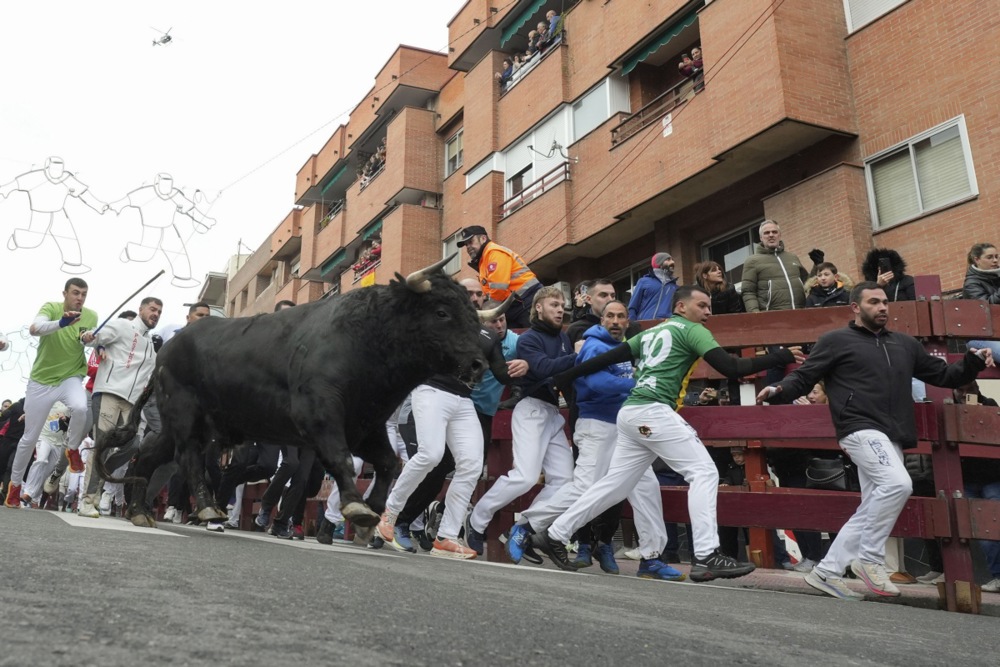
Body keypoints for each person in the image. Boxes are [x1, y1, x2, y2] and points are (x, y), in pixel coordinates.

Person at [533, 285, 801, 581]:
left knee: (615, 485)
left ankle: (556, 533)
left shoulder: (649, 333)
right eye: (702, 305)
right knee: (704, 472)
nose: (708, 313)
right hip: (652, 412)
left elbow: (601, 361)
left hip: (630, 413)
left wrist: (562, 377)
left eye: (710, 307)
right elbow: (733, 367)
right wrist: (781, 356)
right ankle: (707, 554)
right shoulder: (691, 330)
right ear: (681, 308)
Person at [757, 281, 993, 600]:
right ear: (855, 307)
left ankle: (827, 571)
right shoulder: (836, 341)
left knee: (875, 501)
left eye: (885, 302)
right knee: (898, 484)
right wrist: (779, 390)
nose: (882, 307)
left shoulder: (905, 345)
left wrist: (973, 361)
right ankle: (869, 559)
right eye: (873, 302)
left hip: (892, 433)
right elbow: (804, 376)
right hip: (859, 427)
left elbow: (945, 376)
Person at [511, 301, 685, 580]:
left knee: (646, 486)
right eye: (610, 316)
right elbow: (597, 384)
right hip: (597, 425)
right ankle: (528, 525)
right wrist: (640, 383)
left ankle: (652, 557)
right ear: (601, 320)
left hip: (624, 428)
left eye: (621, 317)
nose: (615, 321)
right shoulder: (593, 345)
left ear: (628, 322)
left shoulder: (624, 350)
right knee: (585, 486)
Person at [466, 286, 576, 555]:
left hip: (553, 413)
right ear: (538, 307)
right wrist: (578, 356)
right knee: (525, 476)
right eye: (554, 304)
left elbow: (564, 373)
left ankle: (522, 527)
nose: (560, 309)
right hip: (530, 410)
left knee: (565, 481)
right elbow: (545, 368)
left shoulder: (563, 340)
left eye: (562, 305)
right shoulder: (528, 340)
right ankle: (477, 518)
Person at [4, 279, 97, 508]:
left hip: (70, 377)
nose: (80, 298)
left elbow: (88, 338)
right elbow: (35, 329)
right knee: (29, 439)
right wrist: (62, 322)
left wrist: (94, 342)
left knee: (80, 407)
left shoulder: (91, 315)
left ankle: (72, 448)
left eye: (84, 294)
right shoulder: (51, 307)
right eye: (76, 293)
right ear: (65, 293)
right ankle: (15, 487)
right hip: (41, 381)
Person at [77, 297, 162, 518]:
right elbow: (93, 337)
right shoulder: (123, 325)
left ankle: (101, 473)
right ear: (140, 309)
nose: (156, 314)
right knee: (103, 445)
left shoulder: (151, 347)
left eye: (159, 311)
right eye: (152, 309)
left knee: (133, 444)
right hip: (109, 393)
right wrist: (92, 339)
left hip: (131, 404)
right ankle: (88, 500)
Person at [457, 225, 541, 328]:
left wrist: (485, 311)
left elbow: (498, 290)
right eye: (466, 244)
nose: (468, 247)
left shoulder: (494, 253)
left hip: (527, 302)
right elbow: (489, 293)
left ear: (483, 239)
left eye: (470, 242)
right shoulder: (484, 260)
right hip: (517, 305)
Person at [741, 220, 808, 313]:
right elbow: (748, 291)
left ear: (779, 236)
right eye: (766, 233)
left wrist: (817, 266)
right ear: (761, 237)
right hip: (772, 318)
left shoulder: (792, 257)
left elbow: (808, 283)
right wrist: (755, 315)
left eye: (774, 232)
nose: (771, 235)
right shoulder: (752, 261)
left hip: (800, 313)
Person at [962, 243, 1000, 361]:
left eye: (996, 256)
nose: (995, 260)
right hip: (983, 338)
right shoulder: (971, 284)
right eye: (989, 257)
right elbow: (986, 307)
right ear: (977, 259)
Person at [627, 252, 678, 321]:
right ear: (658, 263)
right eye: (668, 260)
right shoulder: (644, 281)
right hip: (644, 325)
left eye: (672, 260)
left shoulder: (675, 288)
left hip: (666, 327)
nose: (672, 262)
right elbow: (633, 306)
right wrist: (633, 324)